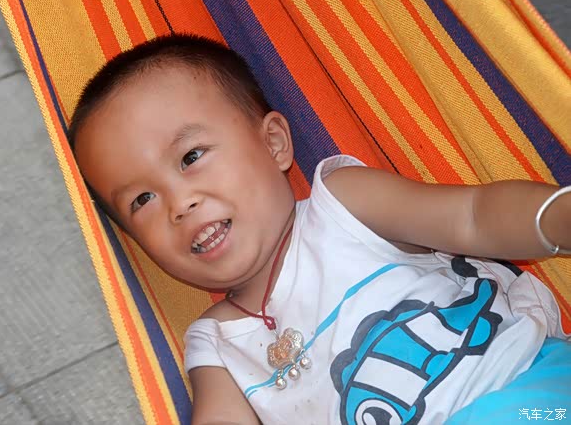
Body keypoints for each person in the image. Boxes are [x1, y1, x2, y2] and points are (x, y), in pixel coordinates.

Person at [68, 34, 570, 424]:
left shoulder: (343, 206)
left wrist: (553, 216)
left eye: (191, 156)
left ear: (274, 144)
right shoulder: (215, 343)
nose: (179, 204)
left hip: (527, 395)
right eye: (142, 200)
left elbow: (472, 216)